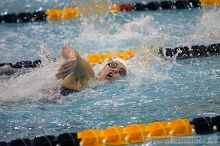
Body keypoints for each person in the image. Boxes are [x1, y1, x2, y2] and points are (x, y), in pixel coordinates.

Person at [56, 47, 127, 96]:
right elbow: (68, 50)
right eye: (113, 64)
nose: (115, 70)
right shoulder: (90, 76)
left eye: (121, 71)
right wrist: (74, 58)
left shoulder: (99, 90)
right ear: (101, 70)